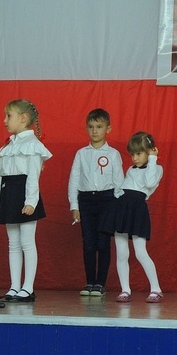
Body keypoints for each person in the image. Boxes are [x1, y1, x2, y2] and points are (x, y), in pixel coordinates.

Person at [0, 99, 52, 303]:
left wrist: (31, 201)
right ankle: (14, 286)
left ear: (23, 119)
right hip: (9, 194)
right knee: (13, 244)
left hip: (24, 195)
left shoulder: (33, 145)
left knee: (26, 242)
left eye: (9, 116)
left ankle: (28, 287)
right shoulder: (9, 145)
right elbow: (0, 178)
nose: (4, 120)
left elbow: (33, 176)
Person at [68, 108, 123, 296]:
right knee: (89, 243)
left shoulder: (113, 154)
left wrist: (116, 207)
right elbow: (74, 180)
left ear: (108, 129)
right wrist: (74, 206)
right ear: (86, 128)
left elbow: (119, 182)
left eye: (99, 127)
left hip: (107, 200)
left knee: (103, 243)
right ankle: (89, 282)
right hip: (86, 200)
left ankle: (100, 283)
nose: (95, 131)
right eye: (91, 127)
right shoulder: (81, 154)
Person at [102, 131, 163, 303]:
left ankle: (156, 289)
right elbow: (122, 186)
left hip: (137, 209)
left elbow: (150, 183)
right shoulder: (130, 169)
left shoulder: (156, 168)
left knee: (141, 252)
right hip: (122, 207)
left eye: (139, 153)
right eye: (133, 154)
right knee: (121, 253)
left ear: (150, 151)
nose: (135, 158)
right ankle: (125, 289)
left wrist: (152, 159)